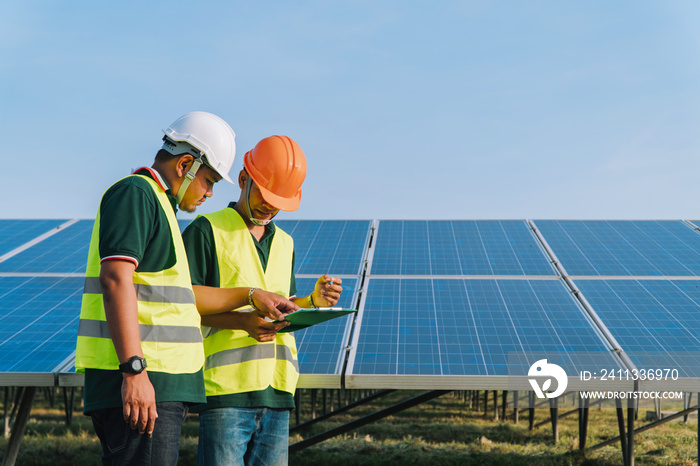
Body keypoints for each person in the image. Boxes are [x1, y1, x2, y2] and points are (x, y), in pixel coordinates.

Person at [75, 113, 298, 466]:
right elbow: (116, 279)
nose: (210, 193)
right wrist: (134, 371)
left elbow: (183, 297)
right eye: (209, 181)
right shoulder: (136, 194)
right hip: (143, 383)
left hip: (159, 387)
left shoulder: (161, 206)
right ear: (185, 165)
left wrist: (251, 295)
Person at [182, 135, 344, 465]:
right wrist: (242, 321)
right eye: (264, 195)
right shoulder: (206, 230)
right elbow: (183, 304)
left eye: (279, 201)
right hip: (226, 392)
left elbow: (282, 305)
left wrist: (313, 302)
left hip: (278, 392)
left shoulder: (285, 243)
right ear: (243, 180)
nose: (270, 206)